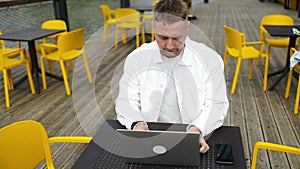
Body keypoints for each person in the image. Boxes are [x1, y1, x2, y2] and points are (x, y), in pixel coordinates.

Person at [115, 0, 228, 154]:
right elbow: (125, 101)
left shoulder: (210, 60)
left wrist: (197, 130)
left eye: (176, 38)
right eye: (162, 37)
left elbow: (217, 103)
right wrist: (138, 126)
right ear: (153, 27)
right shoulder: (136, 58)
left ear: (187, 26)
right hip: (148, 139)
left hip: (193, 136)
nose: (169, 46)